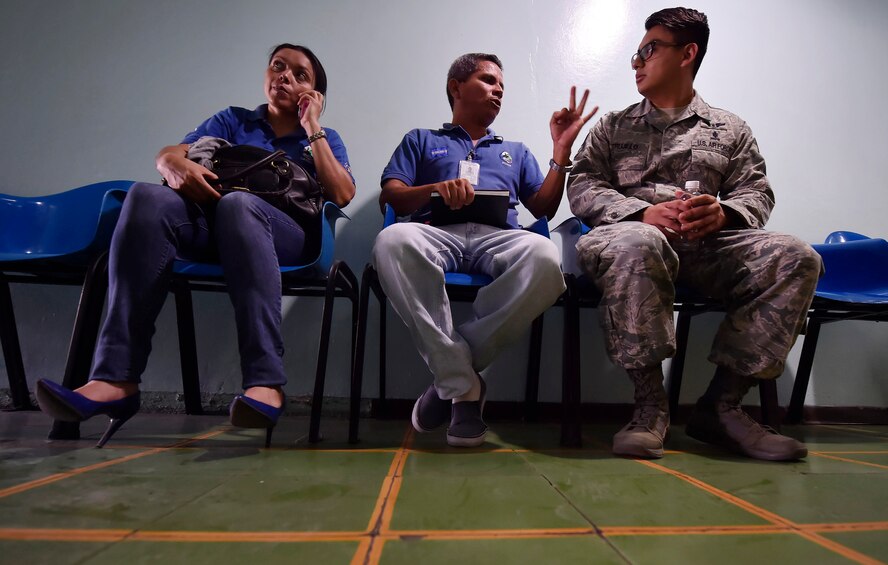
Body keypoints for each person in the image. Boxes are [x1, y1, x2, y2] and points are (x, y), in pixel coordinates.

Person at [36, 43, 355, 447]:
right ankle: (115, 378)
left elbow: (342, 194)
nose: (285, 76)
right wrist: (168, 162)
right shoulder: (233, 120)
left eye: (300, 74)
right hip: (214, 224)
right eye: (278, 66)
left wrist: (313, 127)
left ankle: (266, 382)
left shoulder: (323, 137)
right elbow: (177, 150)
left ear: (315, 92)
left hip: (287, 237)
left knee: (241, 205)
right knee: (145, 196)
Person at [567, 8, 822, 461]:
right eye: (636, 53)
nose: (637, 62)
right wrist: (641, 213)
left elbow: (756, 191)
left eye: (649, 50)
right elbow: (583, 185)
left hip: (706, 250)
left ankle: (722, 407)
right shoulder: (613, 125)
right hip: (631, 244)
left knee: (796, 256)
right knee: (639, 242)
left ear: (688, 53)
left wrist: (724, 214)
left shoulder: (730, 128)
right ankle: (649, 407)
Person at [372, 53, 596, 447]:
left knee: (546, 258)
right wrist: (436, 190)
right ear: (456, 87)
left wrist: (561, 153)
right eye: (488, 81)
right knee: (391, 240)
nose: (498, 92)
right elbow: (391, 197)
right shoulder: (422, 140)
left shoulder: (515, 149)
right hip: (435, 232)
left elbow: (541, 208)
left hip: (499, 235)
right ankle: (465, 387)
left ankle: (450, 381)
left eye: (502, 88)